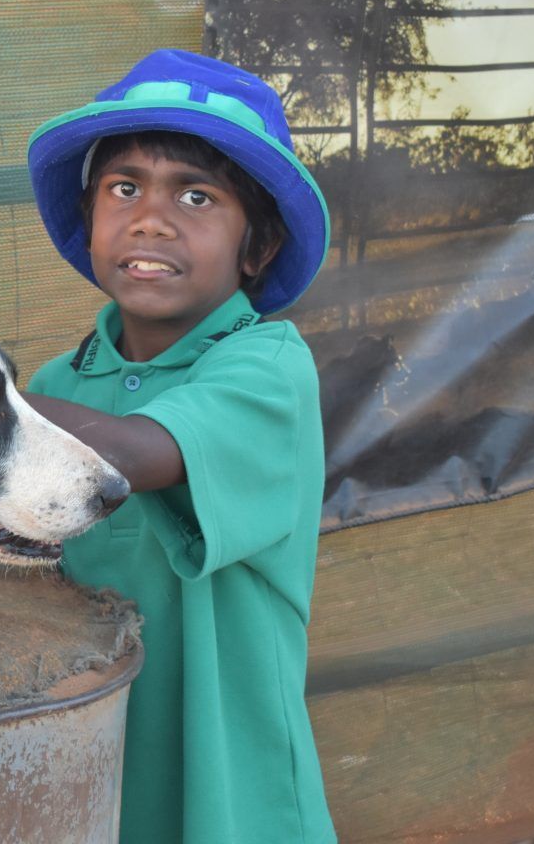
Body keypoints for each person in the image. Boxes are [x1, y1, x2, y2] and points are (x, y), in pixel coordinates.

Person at [22, 49, 337, 843]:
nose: (151, 218)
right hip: (91, 761)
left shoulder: (267, 366)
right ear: (92, 216)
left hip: (231, 788)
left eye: (197, 196)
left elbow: (136, 453)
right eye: (123, 188)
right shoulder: (60, 382)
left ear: (256, 249)